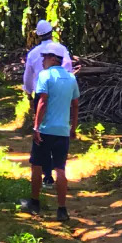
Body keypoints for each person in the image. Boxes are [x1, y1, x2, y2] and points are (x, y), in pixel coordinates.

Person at [20, 42, 79, 222]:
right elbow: (75, 104)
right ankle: (62, 209)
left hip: (45, 129)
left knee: (37, 165)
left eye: (45, 57)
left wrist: (36, 126)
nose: (43, 60)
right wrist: (73, 127)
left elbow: (42, 102)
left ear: (53, 59)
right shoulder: (71, 79)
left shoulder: (45, 76)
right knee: (60, 168)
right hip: (62, 130)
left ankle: (35, 203)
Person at [22, 20, 74, 188]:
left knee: (42, 134)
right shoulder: (61, 50)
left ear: (37, 35)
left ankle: (47, 174)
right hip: (61, 92)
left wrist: (30, 93)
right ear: (52, 32)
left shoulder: (33, 53)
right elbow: (69, 70)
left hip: (41, 94)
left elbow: (28, 79)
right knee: (58, 129)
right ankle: (56, 168)